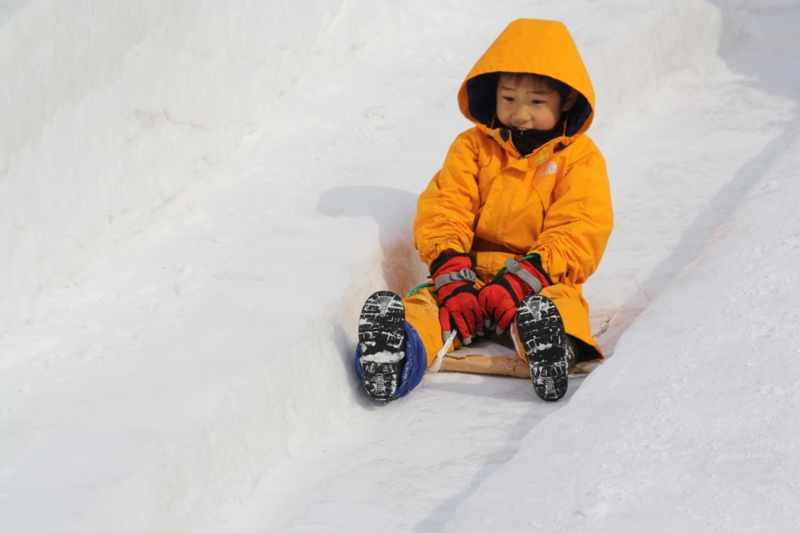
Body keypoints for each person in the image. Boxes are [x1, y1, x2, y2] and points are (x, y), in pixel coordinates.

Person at [355, 19, 613, 402]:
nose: (520, 114)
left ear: (567, 101)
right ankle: (397, 353)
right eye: (508, 99)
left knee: (560, 307)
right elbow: (447, 205)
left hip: (540, 279)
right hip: (468, 275)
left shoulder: (580, 159)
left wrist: (525, 278)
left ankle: (551, 348)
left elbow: (580, 227)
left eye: (537, 102)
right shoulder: (472, 146)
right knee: (429, 306)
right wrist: (451, 274)